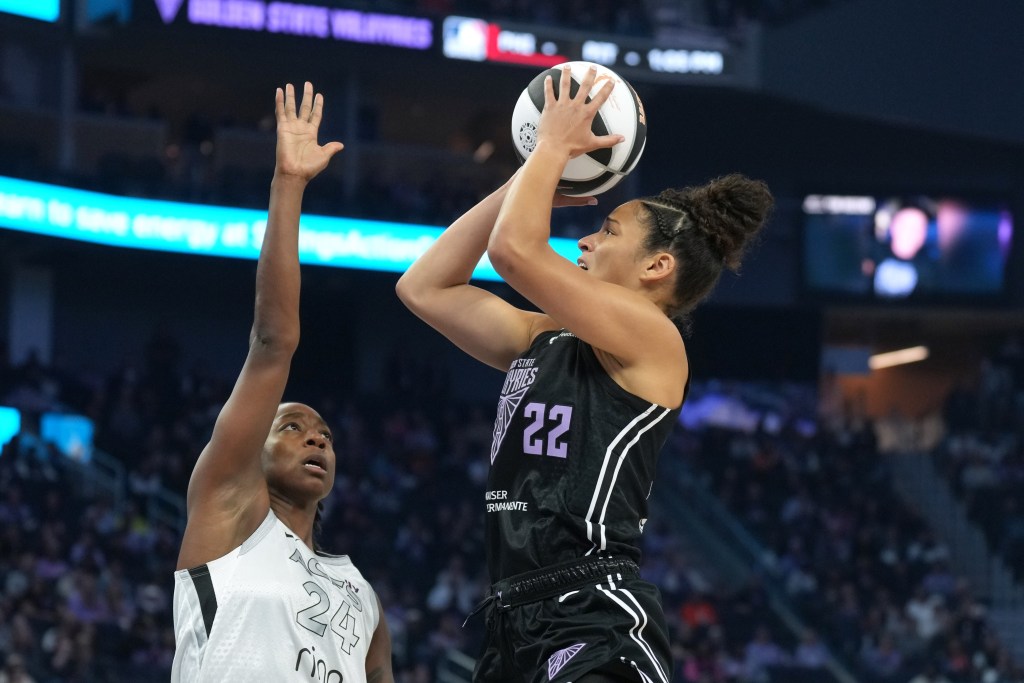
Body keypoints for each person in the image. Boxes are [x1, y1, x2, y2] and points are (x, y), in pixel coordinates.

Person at [397, 65, 772, 683]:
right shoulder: (544, 337)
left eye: (607, 229)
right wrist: (526, 177)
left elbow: (514, 252)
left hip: (593, 613)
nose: (586, 241)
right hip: (512, 616)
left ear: (656, 265)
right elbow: (425, 287)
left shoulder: (655, 339)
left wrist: (551, 152)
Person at [171, 82, 393, 683]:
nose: (316, 439)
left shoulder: (362, 594)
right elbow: (274, 343)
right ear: (254, 447)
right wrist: (289, 184)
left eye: (322, 434)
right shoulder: (226, 507)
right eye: (291, 426)